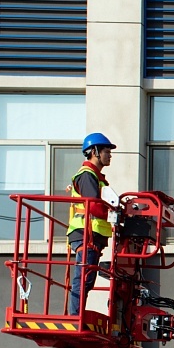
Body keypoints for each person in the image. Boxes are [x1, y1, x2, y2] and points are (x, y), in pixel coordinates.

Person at [67, 133, 117, 311]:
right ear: (95, 152)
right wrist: (114, 215)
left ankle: (77, 315)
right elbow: (93, 206)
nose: (110, 155)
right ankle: (76, 318)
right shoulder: (87, 175)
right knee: (83, 279)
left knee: (87, 279)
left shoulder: (95, 177)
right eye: (106, 151)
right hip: (85, 233)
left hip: (91, 234)